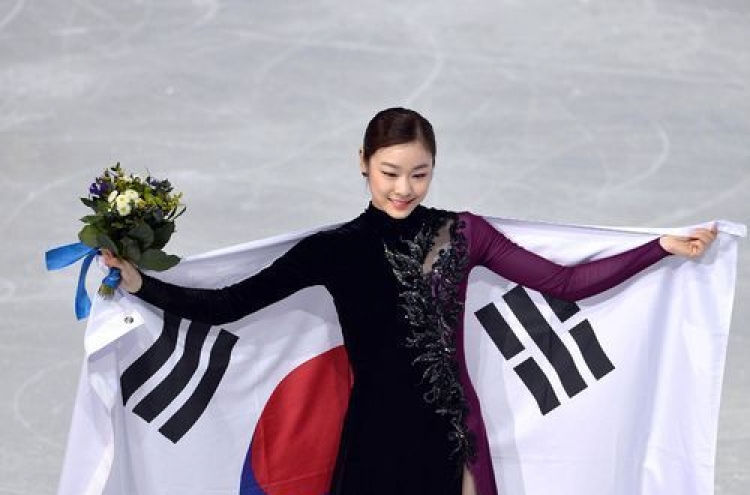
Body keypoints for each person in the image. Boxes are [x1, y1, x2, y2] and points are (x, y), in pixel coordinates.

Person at [102, 107, 716, 495]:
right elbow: (231, 303)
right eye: (390, 172)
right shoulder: (333, 250)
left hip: (450, 440)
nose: (404, 188)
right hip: (372, 441)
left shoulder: (465, 232)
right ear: (363, 164)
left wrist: (658, 247)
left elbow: (565, 283)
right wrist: (140, 285)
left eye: (419, 173)